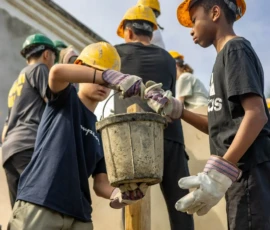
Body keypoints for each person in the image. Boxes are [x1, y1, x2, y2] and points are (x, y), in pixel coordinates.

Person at [145, 0, 270, 229]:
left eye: (194, 21)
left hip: (248, 171)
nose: (191, 29)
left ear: (214, 13)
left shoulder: (235, 49)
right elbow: (219, 125)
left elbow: (256, 114)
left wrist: (220, 173)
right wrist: (180, 111)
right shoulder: (223, 59)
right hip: (237, 174)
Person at [8, 42, 148, 230]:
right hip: (41, 202)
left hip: (79, 215)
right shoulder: (65, 99)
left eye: (108, 79)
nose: (103, 83)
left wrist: (119, 194)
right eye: (98, 74)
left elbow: (100, 184)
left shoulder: (101, 132)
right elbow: (57, 73)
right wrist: (108, 76)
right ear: (80, 71)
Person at [114, 5, 194, 230]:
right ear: (152, 32)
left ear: (128, 32)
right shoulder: (169, 60)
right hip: (170, 136)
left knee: (132, 202)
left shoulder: (117, 53)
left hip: (134, 137)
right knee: (181, 205)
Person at [1, 34, 58, 208]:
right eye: (54, 58)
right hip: (28, 145)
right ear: (47, 55)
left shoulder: (17, 82)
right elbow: (54, 100)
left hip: (9, 152)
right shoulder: (40, 69)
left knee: (20, 211)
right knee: (39, 208)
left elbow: (4, 130)